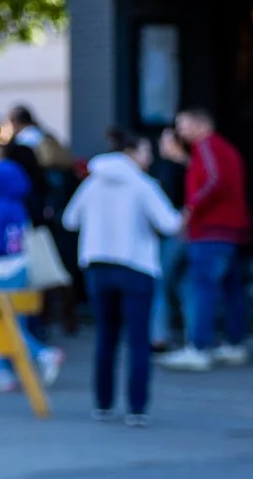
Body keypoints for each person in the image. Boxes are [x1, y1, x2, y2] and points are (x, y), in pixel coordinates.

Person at [62, 129, 182, 426]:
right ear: (132, 153)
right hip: (136, 265)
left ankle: (103, 403)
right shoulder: (143, 184)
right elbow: (169, 223)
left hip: (98, 264)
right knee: (139, 339)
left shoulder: (92, 182)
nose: (150, 157)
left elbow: (69, 219)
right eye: (146, 150)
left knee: (106, 336)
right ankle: (137, 408)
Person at [161, 106, 251, 371]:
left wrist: (191, 209)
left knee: (203, 288)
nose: (180, 131)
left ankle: (198, 347)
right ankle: (234, 343)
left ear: (200, 125)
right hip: (230, 230)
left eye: (183, 125)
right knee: (231, 289)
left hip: (211, 229)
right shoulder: (224, 149)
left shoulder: (207, 147)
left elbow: (213, 180)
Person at [0, 142, 65, 387]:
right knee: (14, 320)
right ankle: (5, 371)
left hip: (0, 270)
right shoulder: (18, 207)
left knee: (4, 323)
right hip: (20, 266)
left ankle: (42, 354)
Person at [149, 128, 189, 352]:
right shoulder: (192, 166)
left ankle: (158, 336)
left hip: (174, 231)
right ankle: (194, 336)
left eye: (165, 141)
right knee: (185, 286)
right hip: (189, 232)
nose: (160, 146)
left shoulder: (170, 169)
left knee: (159, 283)